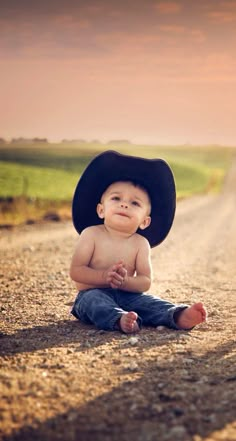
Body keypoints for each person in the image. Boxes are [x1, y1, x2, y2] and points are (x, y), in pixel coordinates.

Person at [70, 150, 207, 333]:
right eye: (116, 198)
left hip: (128, 296)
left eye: (135, 203)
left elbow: (144, 281)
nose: (124, 204)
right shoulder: (91, 234)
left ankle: (177, 315)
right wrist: (104, 277)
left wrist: (124, 282)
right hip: (92, 292)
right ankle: (118, 319)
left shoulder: (140, 244)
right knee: (94, 302)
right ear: (101, 210)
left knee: (149, 302)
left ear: (145, 221)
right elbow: (76, 272)